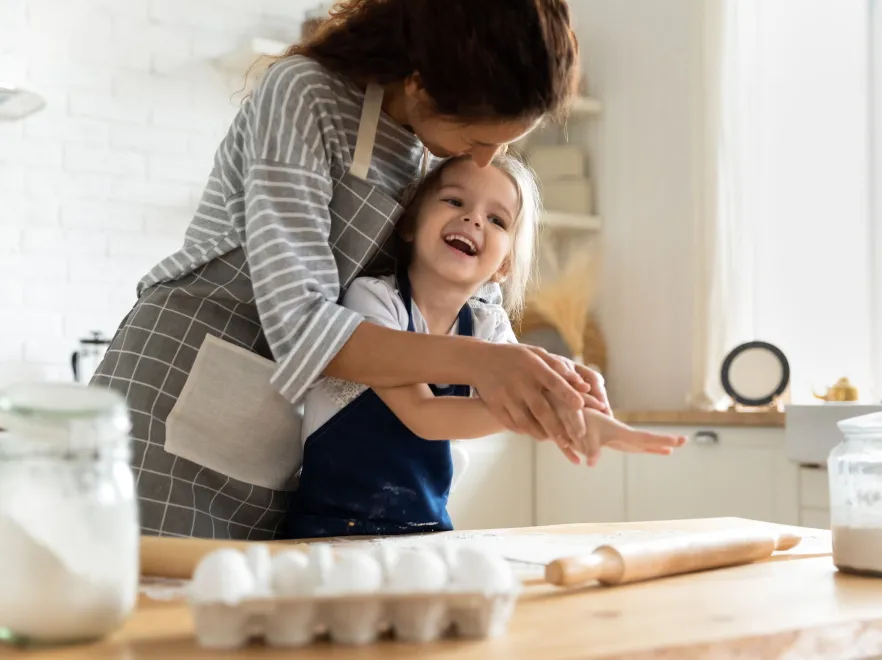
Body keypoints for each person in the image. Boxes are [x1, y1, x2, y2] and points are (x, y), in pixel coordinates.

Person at [90, 0, 611, 540]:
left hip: (283, 435)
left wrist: (546, 379)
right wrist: (485, 366)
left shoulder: (433, 149)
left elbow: (472, 307)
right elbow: (300, 325)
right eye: (479, 140)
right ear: (420, 86)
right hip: (179, 392)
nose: (485, 159)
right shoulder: (303, 93)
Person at [287, 154, 686, 539]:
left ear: (504, 265)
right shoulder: (373, 299)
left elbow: (532, 388)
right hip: (330, 529)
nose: (473, 218)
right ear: (409, 224)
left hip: (426, 529)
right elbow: (423, 415)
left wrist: (578, 415)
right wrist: (532, 415)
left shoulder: (486, 325)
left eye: (497, 220)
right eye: (454, 201)